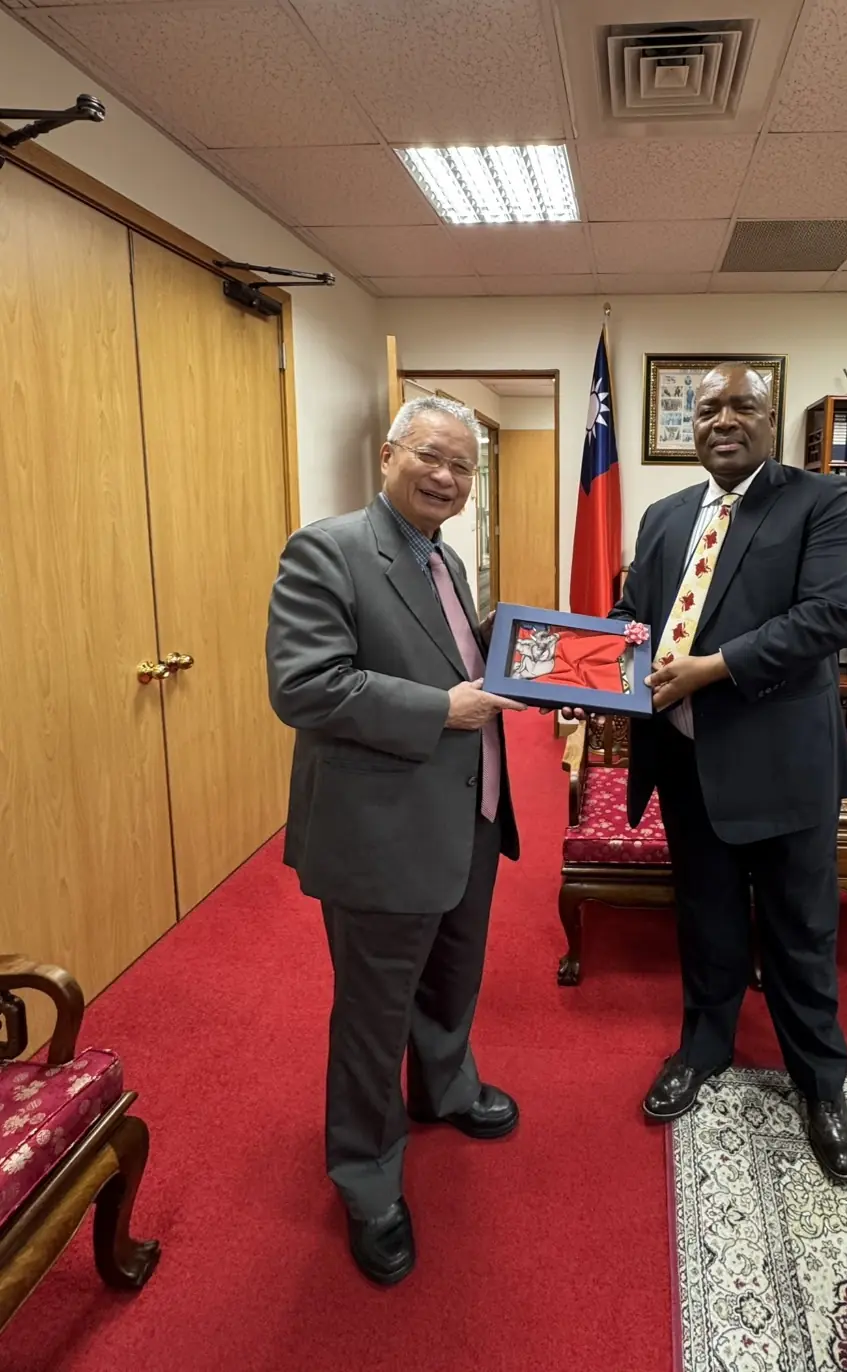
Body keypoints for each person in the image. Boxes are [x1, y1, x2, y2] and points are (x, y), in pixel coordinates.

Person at [266, 395, 525, 1285]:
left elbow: (450, 658)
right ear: (388, 455)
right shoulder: (328, 550)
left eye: (463, 466)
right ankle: (367, 1179)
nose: (447, 477)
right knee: (374, 1015)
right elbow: (305, 685)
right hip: (380, 832)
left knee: (453, 976)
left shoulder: (442, 557)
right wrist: (439, 710)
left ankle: (445, 1087)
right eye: (430, 457)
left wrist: (540, 649)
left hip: (470, 814)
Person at [614, 364, 847, 1182]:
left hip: (784, 766)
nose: (723, 420)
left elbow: (830, 615)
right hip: (687, 762)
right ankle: (704, 1047)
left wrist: (712, 667)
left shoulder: (818, 502)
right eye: (707, 409)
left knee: (801, 931)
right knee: (707, 919)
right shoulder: (664, 516)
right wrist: (593, 664)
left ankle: (820, 1084)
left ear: (770, 418)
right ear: (691, 426)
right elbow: (634, 618)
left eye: (742, 406)